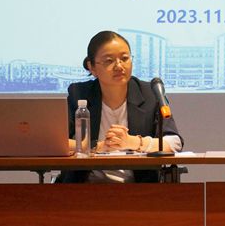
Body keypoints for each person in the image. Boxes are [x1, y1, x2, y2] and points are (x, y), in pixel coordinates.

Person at [58, 31, 183, 183]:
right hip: (84, 188)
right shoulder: (79, 94)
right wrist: (97, 147)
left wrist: (133, 142)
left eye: (124, 58)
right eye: (109, 61)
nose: (119, 66)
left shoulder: (149, 93)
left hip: (140, 189)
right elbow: (57, 143)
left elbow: (174, 141)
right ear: (92, 67)